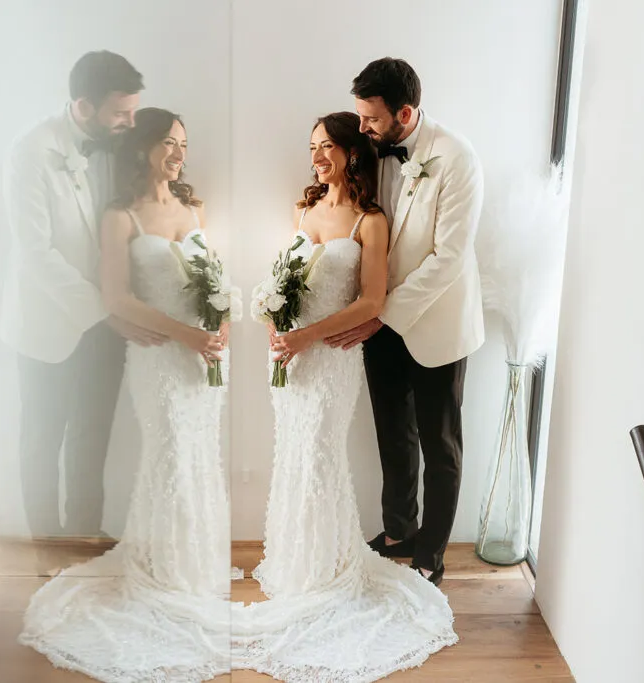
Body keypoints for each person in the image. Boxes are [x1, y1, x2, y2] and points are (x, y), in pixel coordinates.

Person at [234, 112, 457, 682]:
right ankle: (296, 560)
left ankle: (327, 566)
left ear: (352, 152)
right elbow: (280, 280)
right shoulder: (303, 208)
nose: (317, 156)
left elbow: (373, 301)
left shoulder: (370, 220)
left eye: (327, 146)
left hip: (330, 358)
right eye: (312, 146)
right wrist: (272, 325)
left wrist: (308, 336)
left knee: (319, 457)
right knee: (293, 455)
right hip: (290, 357)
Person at [19, 108, 232, 682]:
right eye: (168, 142)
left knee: (198, 457)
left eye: (184, 143)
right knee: (168, 457)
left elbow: (214, 277)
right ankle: (163, 568)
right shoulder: (120, 215)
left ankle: (195, 563)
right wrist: (184, 334)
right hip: (158, 357)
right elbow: (116, 297)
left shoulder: (194, 207)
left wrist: (222, 324)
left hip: (203, 358)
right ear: (142, 148)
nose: (179, 153)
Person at [327, 58, 486, 586]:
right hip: (380, 322)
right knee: (393, 434)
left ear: (406, 112)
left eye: (371, 119)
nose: (364, 128)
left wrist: (382, 314)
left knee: (440, 445)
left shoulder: (457, 158)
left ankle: (430, 553)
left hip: (436, 322)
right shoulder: (371, 150)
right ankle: (398, 533)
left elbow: (449, 258)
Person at [0, 51, 158, 541]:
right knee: (42, 441)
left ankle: (84, 537)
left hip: (106, 327)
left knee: (91, 439)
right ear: (84, 106)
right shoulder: (30, 152)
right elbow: (34, 252)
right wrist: (104, 310)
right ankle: (46, 548)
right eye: (120, 113)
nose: (130, 122)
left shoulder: (120, 146)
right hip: (46, 325)